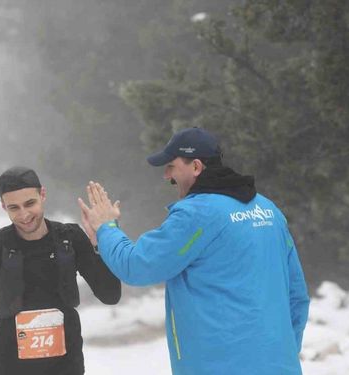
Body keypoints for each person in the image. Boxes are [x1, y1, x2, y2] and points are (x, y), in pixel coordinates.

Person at [77, 127, 310, 375]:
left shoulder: (197, 213)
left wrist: (106, 228)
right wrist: (281, 352)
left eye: (171, 166)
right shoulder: (268, 210)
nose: (166, 175)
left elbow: (138, 266)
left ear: (196, 167)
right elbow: (297, 295)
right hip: (280, 365)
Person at [0, 166, 121, 375]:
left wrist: (102, 243)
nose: (24, 215)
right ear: (4, 207)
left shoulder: (69, 238)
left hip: (66, 364)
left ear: (43, 194)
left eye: (29, 203)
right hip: (9, 364)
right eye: (14, 208)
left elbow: (111, 295)